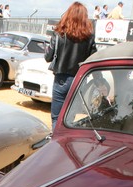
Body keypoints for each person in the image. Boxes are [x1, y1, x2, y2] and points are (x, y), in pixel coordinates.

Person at [44, 1, 97, 130]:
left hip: (61, 79)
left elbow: (48, 57)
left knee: (56, 118)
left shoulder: (58, 34)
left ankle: (56, 145)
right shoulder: (89, 37)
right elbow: (93, 59)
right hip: (79, 80)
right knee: (69, 119)